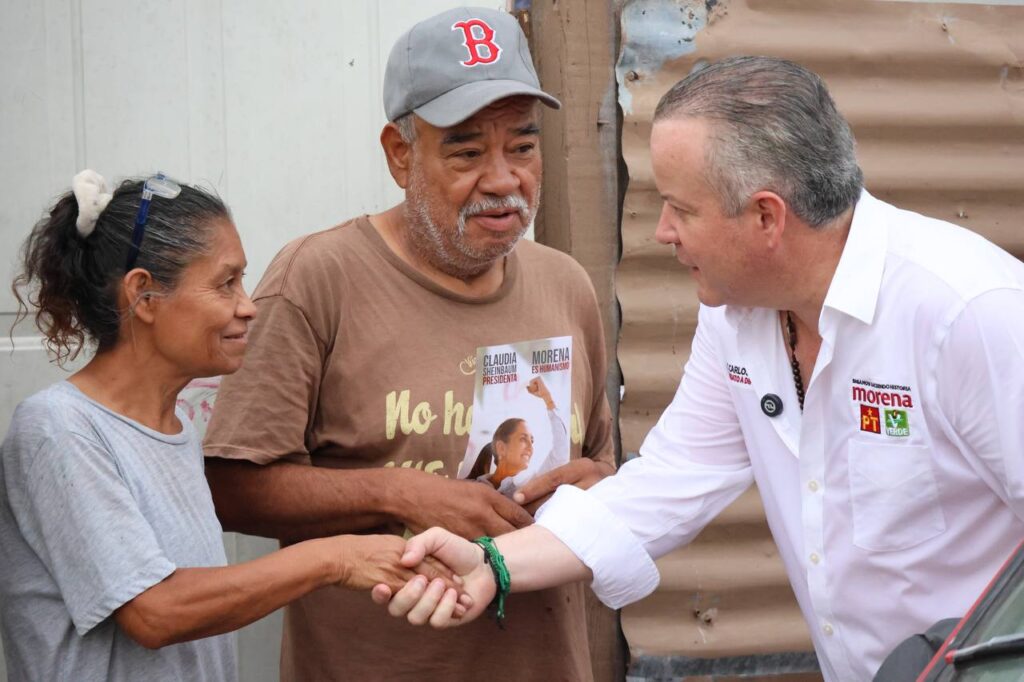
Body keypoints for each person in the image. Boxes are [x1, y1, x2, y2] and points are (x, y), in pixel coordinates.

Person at [375, 56, 1024, 682]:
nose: (661, 231)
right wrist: (492, 562)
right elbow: (670, 481)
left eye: (680, 208)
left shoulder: (969, 313)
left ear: (767, 216)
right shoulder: (741, 313)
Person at [201, 7, 615, 681]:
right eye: (467, 150)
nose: (505, 179)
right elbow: (230, 488)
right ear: (401, 154)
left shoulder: (564, 284)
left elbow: (600, 468)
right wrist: (399, 493)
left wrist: (594, 489)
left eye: (523, 145)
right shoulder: (318, 279)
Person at [0, 171, 454, 681]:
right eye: (225, 283)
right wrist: (337, 558)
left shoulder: (175, 432)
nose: (248, 307)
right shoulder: (59, 431)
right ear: (143, 295)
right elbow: (156, 611)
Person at [469, 377, 568, 494]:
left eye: (532, 441)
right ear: (501, 448)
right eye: (523, 439)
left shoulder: (526, 487)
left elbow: (560, 453)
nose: (530, 448)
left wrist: (548, 399)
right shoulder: (471, 487)